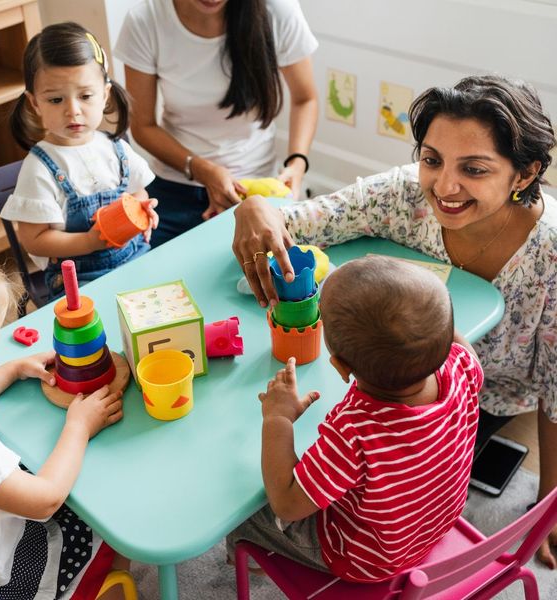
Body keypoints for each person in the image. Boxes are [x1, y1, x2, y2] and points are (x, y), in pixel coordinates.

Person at [232, 74, 557, 568]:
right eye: (431, 160)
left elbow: (555, 392)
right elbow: (299, 220)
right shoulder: (402, 196)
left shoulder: (549, 251)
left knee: (256, 476)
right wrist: (255, 206)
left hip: (484, 399)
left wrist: (549, 506)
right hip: (419, 383)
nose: (444, 187)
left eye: (473, 168)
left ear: (524, 174)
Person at [227, 256, 483, 581]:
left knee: (245, 509)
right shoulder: (461, 365)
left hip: (365, 559)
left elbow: (287, 504)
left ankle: (253, 563)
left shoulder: (355, 430)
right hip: (433, 525)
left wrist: (278, 419)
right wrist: (428, 321)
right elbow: (462, 349)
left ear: (341, 367)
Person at [0, 249, 129, 599]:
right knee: (108, 514)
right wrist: (78, 428)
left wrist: (11, 369)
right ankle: (98, 583)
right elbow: (45, 500)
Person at [114, 0, 318, 247]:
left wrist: (297, 164)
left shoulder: (277, 10)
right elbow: (143, 126)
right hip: (176, 186)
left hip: (254, 187)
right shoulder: (146, 20)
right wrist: (202, 169)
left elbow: (305, 98)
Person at [0, 22, 159, 299]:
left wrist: (141, 210)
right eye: (56, 100)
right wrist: (89, 241)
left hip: (136, 258)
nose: (73, 111)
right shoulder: (40, 168)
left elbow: (137, 191)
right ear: (35, 103)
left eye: (85, 96)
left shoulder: (115, 148)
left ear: (105, 95)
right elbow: (33, 240)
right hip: (79, 280)